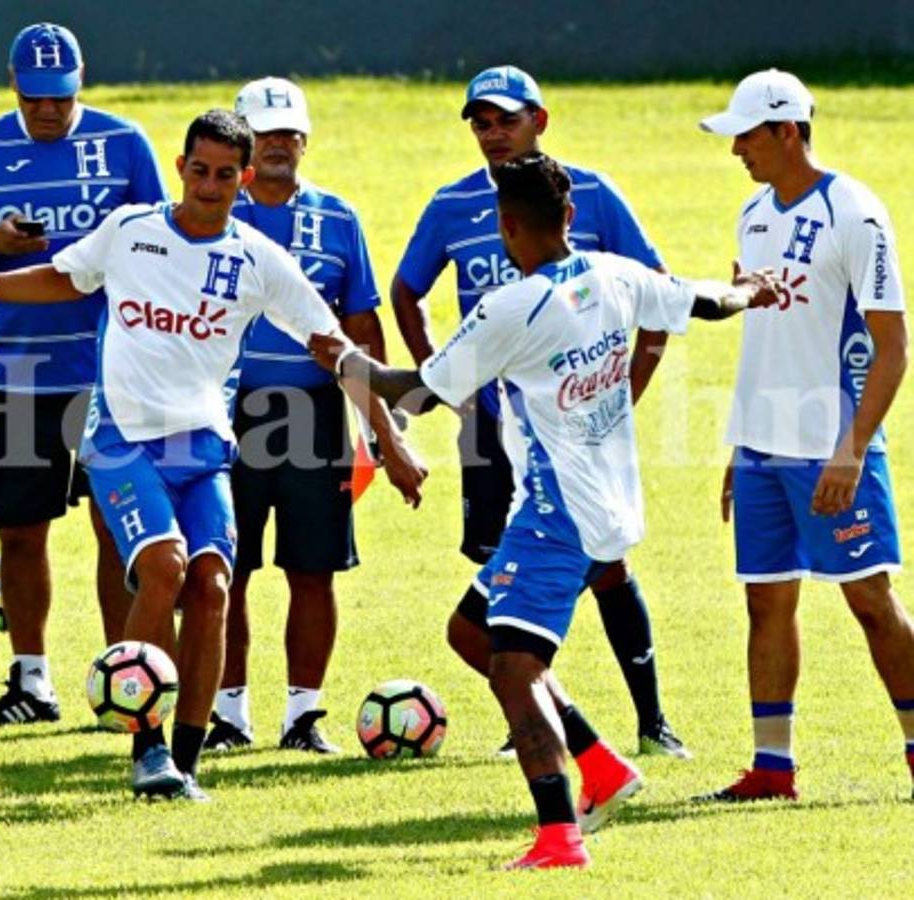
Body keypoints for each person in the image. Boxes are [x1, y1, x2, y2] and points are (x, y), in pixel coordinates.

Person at [0, 109, 426, 801]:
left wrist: (387, 435)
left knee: (211, 586)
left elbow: (332, 347)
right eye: (199, 170)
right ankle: (143, 742)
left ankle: (185, 760)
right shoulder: (132, 232)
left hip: (204, 450)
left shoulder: (258, 261)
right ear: (180, 168)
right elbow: (61, 277)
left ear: (242, 177)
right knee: (163, 565)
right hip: (121, 442)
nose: (210, 186)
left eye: (225, 174)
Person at [310, 155, 777, 868]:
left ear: (504, 227)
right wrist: (748, 289)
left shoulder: (508, 307)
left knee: (513, 667)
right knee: (470, 632)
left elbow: (413, 393)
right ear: (568, 217)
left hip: (555, 515)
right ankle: (601, 766)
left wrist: (343, 360)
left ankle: (559, 838)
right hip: (612, 505)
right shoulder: (614, 275)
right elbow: (704, 301)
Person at [391, 65, 689, 757]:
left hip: (580, 430)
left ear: (539, 121)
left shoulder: (589, 197)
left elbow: (661, 298)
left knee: (607, 567)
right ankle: (528, 720)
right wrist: (457, 388)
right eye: (480, 122)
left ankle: (652, 723)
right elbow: (406, 291)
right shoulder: (451, 205)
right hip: (497, 431)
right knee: (499, 568)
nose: (493, 134)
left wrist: (622, 393)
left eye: (506, 119)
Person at [0, 22, 169, 727]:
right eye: (36, 98)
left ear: (82, 81)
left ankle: (124, 675)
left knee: (114, 526)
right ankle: (31, 682)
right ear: (13, 85)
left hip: (112, 372)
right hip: (21, 367)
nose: (49, 110)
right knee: (19, 528)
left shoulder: (125, 144)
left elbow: (165, 238)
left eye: (61, 97)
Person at [696, 69, 914, 802]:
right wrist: (738, 444)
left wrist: (850, 450)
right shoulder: (751, 214)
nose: (735, 151)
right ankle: (771, 768)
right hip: (760, 449)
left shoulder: (856, 214)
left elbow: (892, 347)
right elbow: (765, 336)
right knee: (765, 602)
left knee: (869, 601)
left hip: (831, 448)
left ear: (787, 130)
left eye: (746, 136)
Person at [201, 77, 392, 755]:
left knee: (313, 569)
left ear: (304, 141)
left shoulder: (338, 218)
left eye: (289, 134)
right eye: (265, 134)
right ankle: (227, 712)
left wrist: (378, 424)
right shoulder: (213, 212)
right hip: (228, 414)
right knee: (228, 567)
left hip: (314, 414)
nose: (279, 145)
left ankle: (303, 715)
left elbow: (362, 321)